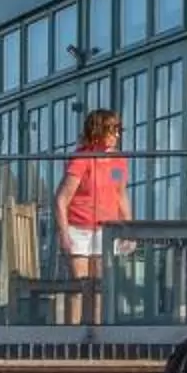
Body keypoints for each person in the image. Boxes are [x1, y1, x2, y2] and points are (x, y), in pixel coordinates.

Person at [55, 109, 129, 283]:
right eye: (112, 131)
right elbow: (61, 199)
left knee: (100, 289)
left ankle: (97, 312)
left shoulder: (118, 161)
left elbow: (120, 194)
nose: (117, 136)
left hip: (106, 230)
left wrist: (128, 228)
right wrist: (64, 234)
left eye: (118, 131)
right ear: (99, 132)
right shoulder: (82, 159)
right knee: (79, 288)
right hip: (78, 230)